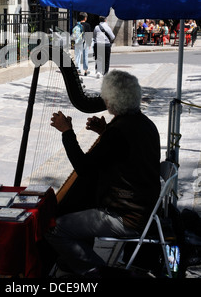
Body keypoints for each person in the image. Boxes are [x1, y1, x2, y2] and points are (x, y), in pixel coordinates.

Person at [45, 70, 161, 278]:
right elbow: (125, 151)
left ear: (111, 99)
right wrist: (104, 132)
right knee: (81, 201)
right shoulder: (144, 123)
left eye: (104, 96)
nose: (102, 99)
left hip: (127, 218)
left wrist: (67, 132)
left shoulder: (119, 132)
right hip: (146, 209)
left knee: (54, 228)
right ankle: (77, 260)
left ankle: (97, 272)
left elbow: (84, 167)